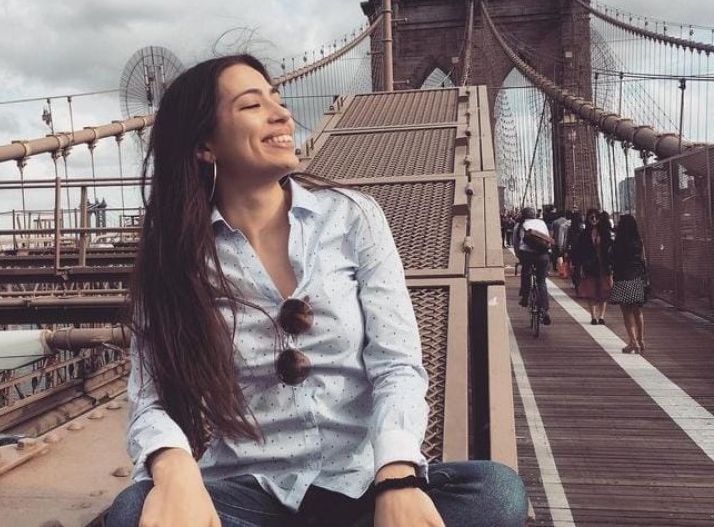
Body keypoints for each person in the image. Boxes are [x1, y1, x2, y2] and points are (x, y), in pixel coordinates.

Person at [106, 54, 528, 527]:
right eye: (252, 105)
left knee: (497, 493)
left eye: (278, 101)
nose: (282, 115)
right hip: (248, 492)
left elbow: (397, 366)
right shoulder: (175, 256)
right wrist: (175, 470)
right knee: (131, 511)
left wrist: (396, 477)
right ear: (205, 144)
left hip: (361, 485)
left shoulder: (352, 216)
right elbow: (150, 399)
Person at [609, 214, 649, 353]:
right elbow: (643, 260)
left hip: (622, 278)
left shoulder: (618, 242)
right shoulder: (639, 241)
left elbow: (613, 260)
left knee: (626, 311)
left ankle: (633, 342)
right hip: (637, 277)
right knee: (637, 310)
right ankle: (641, 339)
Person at [574, 208, 613, 325]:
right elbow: (579, 251)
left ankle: (601, 316)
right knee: (590, 291)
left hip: (603, 265)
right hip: (589, 265)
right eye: (591, 217)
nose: (594, 219)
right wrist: (580, 266)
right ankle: (593, 316)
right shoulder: (584, 234)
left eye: (596, 217)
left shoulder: (605, 233)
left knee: (604, 291)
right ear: (588, 219)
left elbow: (610, 249)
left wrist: (611, 264)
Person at [515, 207, 552, 325]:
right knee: (541, 282)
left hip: (527, 255)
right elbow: (547, 239)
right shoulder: (542, 223)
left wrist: (519, 257)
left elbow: (516, 243)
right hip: (543, 255)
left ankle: (525, 298)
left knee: (525, 274)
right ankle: (544, 311)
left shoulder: (520, 225)